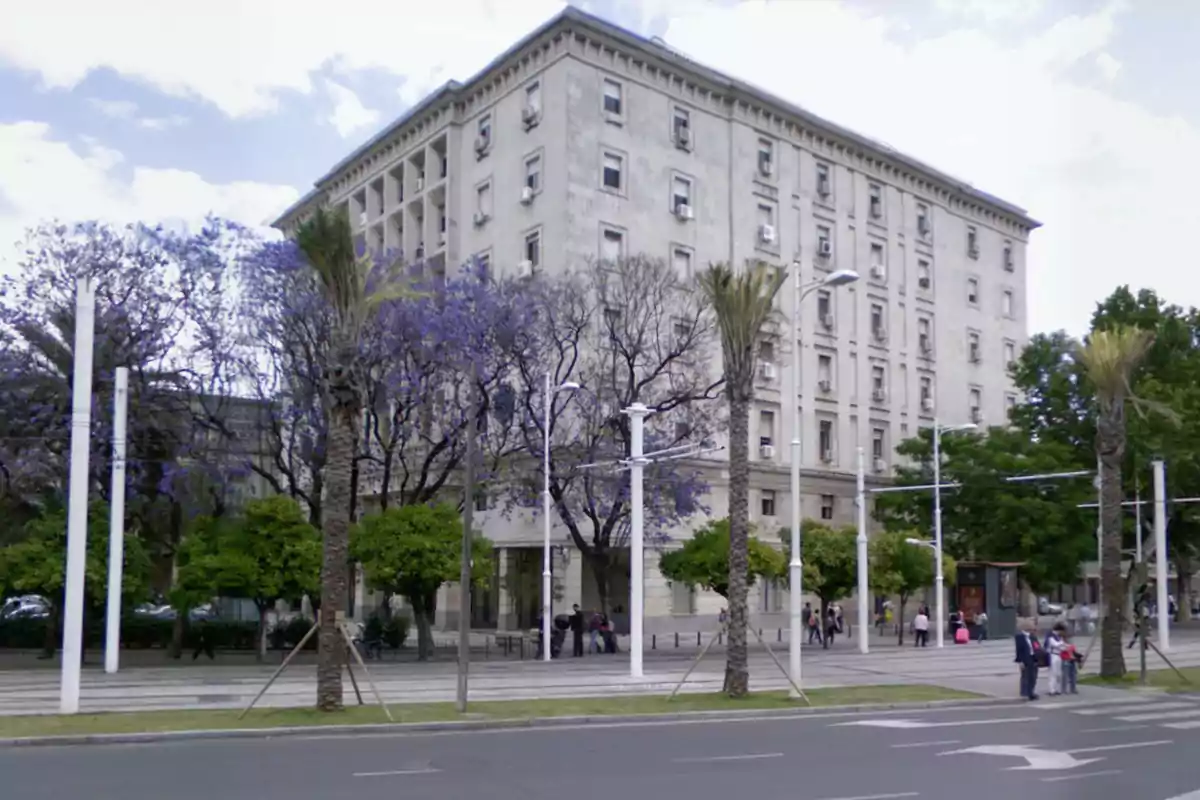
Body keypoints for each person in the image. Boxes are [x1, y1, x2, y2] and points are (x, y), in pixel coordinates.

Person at [1014, 621, 1039, 701]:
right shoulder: (1020, 637)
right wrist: (1020, 661)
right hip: (1025, 658)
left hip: (1033, 657)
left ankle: (1031, 692)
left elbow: (1037, 646)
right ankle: (1025, 692)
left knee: (1033, 676)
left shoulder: (1033, 637)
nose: (1033, 630)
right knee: (1025, 676)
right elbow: (1019, 650)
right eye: (1032, 629)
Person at [1046, 623, 1066, 696]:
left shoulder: (1058, 637)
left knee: (1058, 673)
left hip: (1058, 655)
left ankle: (1057, 689)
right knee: (1053, 673)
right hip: (1052, 655)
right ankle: (1051, 690)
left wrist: (1062, 645)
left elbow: (1062, 647)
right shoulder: (1051, 636)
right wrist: (1061, 643)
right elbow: (1055, 645)